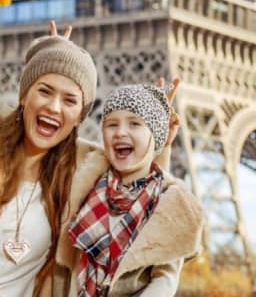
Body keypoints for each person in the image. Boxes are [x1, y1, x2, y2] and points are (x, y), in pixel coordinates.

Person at [0, 22, 180, 297]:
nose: (53, 107)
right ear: (24, 94)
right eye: (44, 90)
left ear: (80, 115)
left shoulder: (87, 169)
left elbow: (143, 214)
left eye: (69, 100)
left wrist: (157, 145)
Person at [62, 84, 204, 297]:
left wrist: (163, 147)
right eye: (111, 125)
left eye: (135, 124)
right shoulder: (87, 181)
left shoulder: (172, 208)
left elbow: (165, 281)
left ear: (156, 136)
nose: (120, 132)